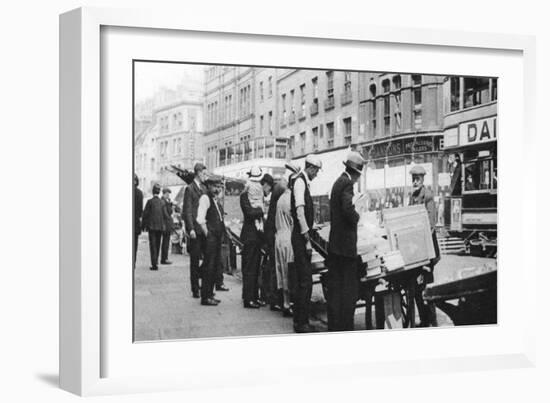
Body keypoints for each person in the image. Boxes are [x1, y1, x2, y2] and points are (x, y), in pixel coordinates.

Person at [326, 151, 364, 331]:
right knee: (348, 290)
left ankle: (334, 325)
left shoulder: (337, 182)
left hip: (335, 245)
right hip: (345, 248)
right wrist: (358, 217)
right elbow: (348, 209)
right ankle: (345, 327)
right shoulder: (347, 184)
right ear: (355, 173)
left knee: (335, 290)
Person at [289, 154, 322, 333]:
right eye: (316, 171)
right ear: (310, 168)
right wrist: (307, 239)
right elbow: (300, 212)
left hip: (300, 236)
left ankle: (300, 320)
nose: (316, 174)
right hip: (301, 238)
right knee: (305, 282)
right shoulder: (300, 182)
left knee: (304, 280)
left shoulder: (302, 181)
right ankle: (302, 323)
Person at [408, 165, 440, 327]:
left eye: (418, 178)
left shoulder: (427, 195)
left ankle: (432, 322)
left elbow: (431, 224)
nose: (415, 181)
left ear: (423, 179)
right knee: (416, 288)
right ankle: (424, 320)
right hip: (416, 249)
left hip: (427, 251)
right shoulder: (412, 196)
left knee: (426, 287)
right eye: (413, 178)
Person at [240, 172, 269, 308]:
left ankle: (254, 296)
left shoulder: (257, 196)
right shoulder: (244, 196)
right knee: (249, 268)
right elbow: (249, 213)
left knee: (255, 268)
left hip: (256, 237)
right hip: (250, 236)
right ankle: (248, 298)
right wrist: (261, 211)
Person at [196, 175, 226, 306]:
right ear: (208, 186)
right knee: (209, 267)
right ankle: (206, 296)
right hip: (211, 239)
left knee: (214, 267)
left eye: (219, 186)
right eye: (215, 186)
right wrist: (208, 234)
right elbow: (200, 219)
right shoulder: (205, 198)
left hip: (216, 238)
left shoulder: (214, 200)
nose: (217, 189)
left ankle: (210, 293)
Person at [183, 163, 208, 298]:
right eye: (204, 173)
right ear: (198, 173)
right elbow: (187, 210)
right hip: (195, 231)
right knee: (194, 260)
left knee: (207, 258)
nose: (205, 176)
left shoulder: (204, 188)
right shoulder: (190, 189)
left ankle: (203, 283)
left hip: (203, 229)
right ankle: (195, 289)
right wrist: (190, 228)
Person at [274, 179, 294, 317]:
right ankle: (288, 304)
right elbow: (293, 219)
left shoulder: (280, 198)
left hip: (279, 236)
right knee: (288, 271)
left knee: (281, 272)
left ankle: (285, 302)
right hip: (288, 237)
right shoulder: (289, 199)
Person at [141, 183, 165, 271]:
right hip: (160, 227)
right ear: (159, 192)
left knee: (153, 245)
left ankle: (154, 263)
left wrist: (143, 226)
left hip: (151, 227)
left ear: (152, 191)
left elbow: (145, 214)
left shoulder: (149, 202)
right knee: (158, 244)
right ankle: (156, 261)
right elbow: (165, 215)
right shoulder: (162, 202)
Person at [245, 166, 265, 233]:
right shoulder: (260, 185)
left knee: (255, 218)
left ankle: (257, 224)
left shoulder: (248, 184)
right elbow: (262, 195)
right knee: (260, 217)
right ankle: (261, 225)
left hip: (252, 202)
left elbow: (244, 191)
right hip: (260, 203)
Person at [160, 188, 173, 265]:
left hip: (166, 224)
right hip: (166, 224)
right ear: (164, 194)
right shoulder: (163, 202)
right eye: (167, 194)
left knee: (166, 242)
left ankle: (165, 258)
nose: (168, 195)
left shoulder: (165, 201)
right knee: (165, 242)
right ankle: (164, 259)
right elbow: (166, 213)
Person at [133, 174, 143, 270]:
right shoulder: (139, 193)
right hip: (135, 224)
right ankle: (133, 263)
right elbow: (140, 211)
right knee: (134, 245)